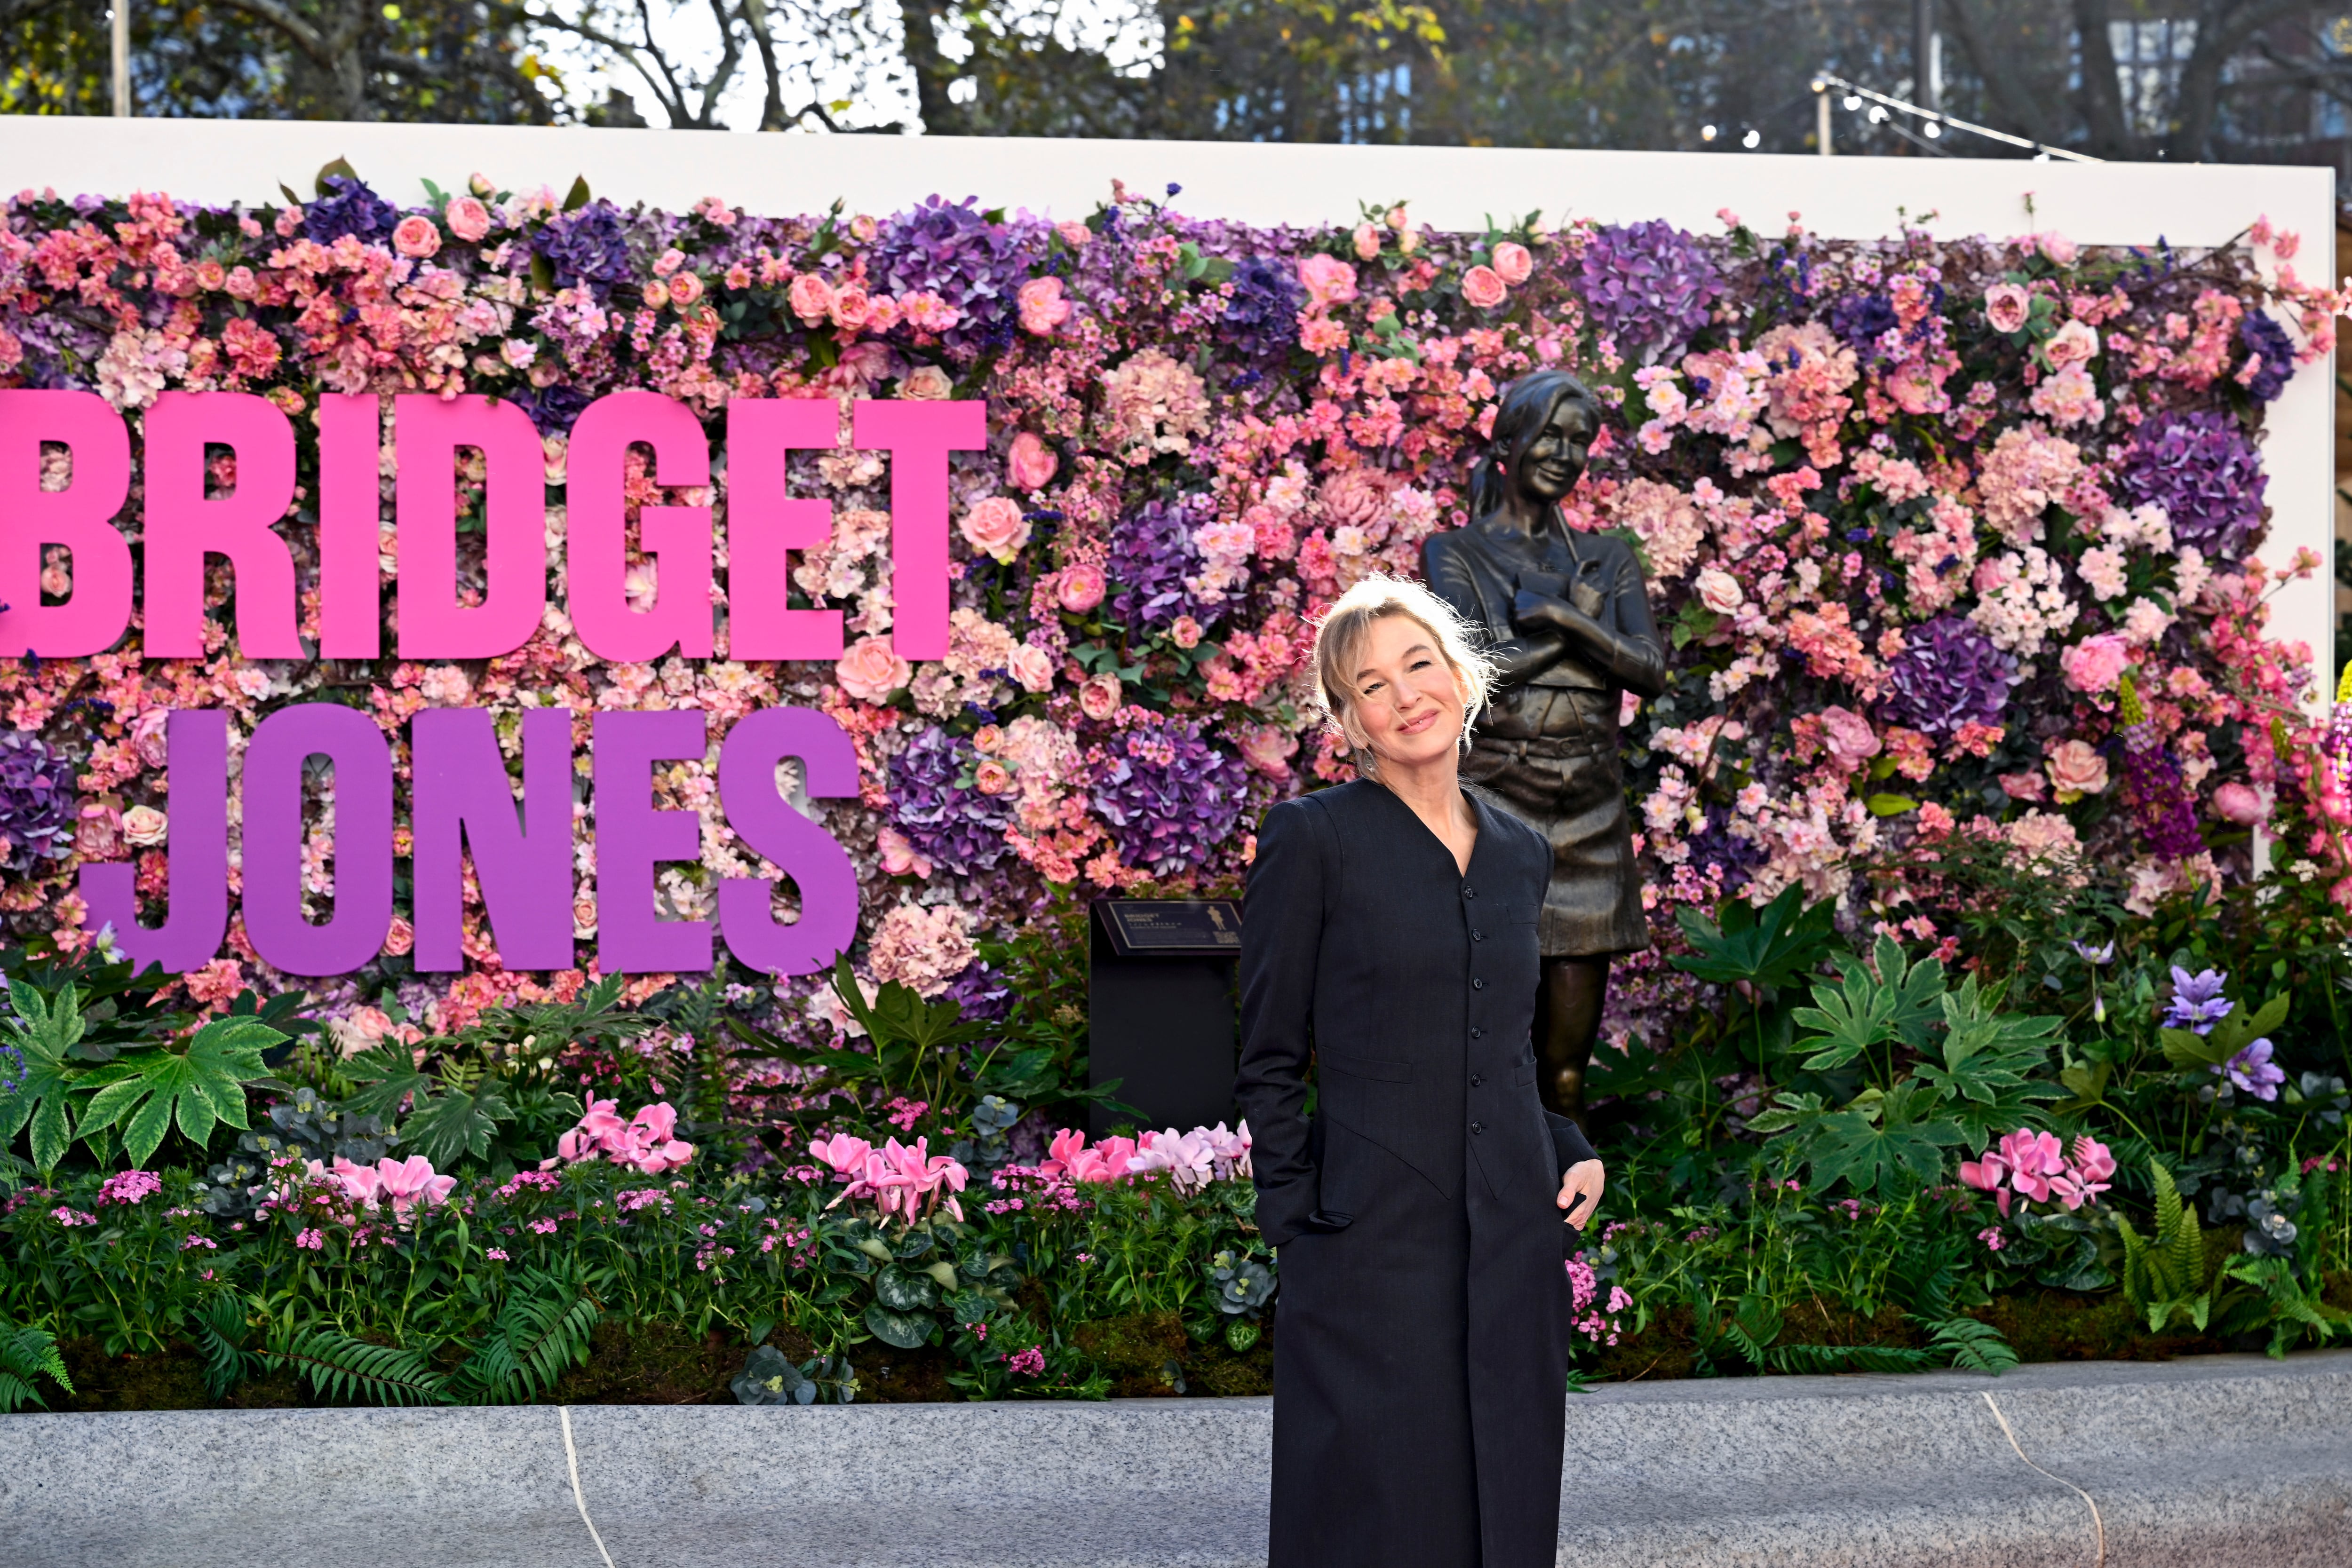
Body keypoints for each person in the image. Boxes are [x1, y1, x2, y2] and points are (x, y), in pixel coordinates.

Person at [1234, 573, 1608, 1568]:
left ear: (1458, 674)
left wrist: (1566, 1145)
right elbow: (1267, 1049)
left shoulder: (1521, 851)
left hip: (1510, 1232)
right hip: (1367, 1243)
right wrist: (1297, 1215)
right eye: (1371, 684)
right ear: (1347, 717)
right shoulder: (1314, 839)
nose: (1405, 696)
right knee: (1374, 1517)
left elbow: (1504, 1044)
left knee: (1506, 1502)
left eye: (1418, 664)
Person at [1423, 369, 1667, 1126]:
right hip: (1492, 812)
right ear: (1508, 441)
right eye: (1551, 435)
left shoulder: (1607, 558)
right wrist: (1598, 648)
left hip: (1588, 816)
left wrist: (1562, 618)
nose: (1566, 454)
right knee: (1482, 1059)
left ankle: (1561, 1229)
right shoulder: (1453, 552)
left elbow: (1650, 671)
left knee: (1565, 1072)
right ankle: (1478, 1213)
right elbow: (1474, 674)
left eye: (1580, 442)